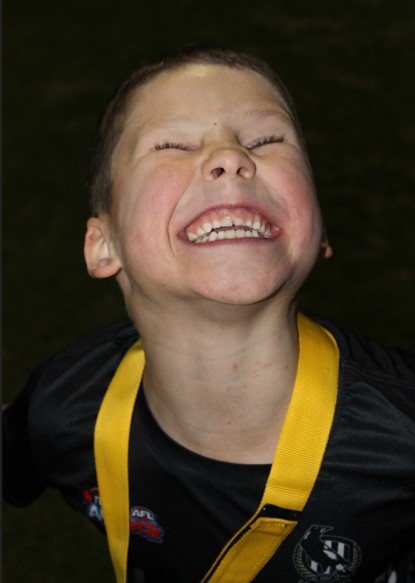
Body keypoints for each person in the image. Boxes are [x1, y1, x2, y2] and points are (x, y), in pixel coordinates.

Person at [3, 45, 415, 583]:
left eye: (266, 141)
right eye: (172, 145)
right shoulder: (66, 405)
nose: (230, 157)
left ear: (319, 234)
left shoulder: (402, 433)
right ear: (104, 246)